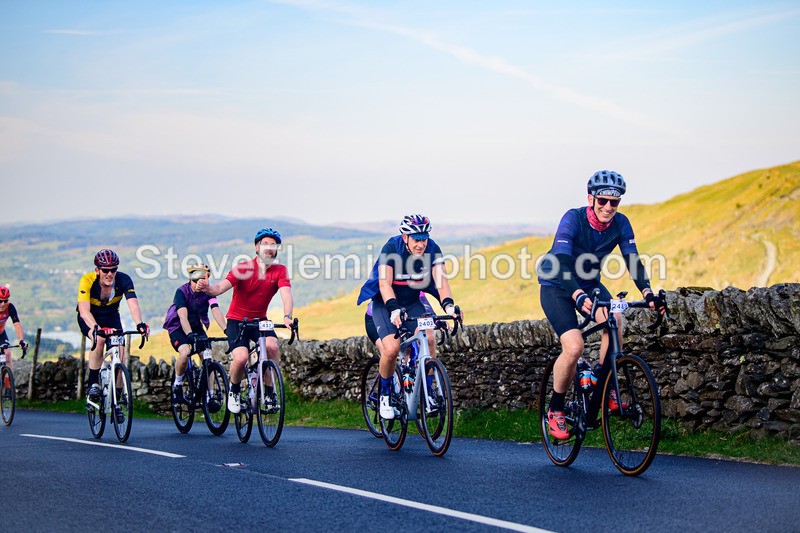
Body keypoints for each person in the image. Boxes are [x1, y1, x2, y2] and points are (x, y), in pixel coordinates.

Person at [536, 170, 664, 439]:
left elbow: (632, 259)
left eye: (614, 203)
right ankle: (555, 409)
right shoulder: (573, 218)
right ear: (591, 198)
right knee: (574, 347)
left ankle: (603, 384)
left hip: (590, 282)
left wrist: (648, 292)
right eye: (603, 201)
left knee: (614, 320)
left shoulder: (621, 223)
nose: (608, 207)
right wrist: (578, 297)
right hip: (557, 283)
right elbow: (561, 261)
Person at [357, 214, 461, 420]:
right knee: (392, 349)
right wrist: (394, 309)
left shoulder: (433, 249)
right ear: (405, 237)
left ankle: (429, 393)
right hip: (385, 303)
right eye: (416, 239)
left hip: (413, 301)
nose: (421, 244)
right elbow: (384, 284)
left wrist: (449, 306)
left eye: (424, 238)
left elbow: (441, 282)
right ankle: (385, 396)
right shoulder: (392, 248)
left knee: (429, 338)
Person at [197, 228, 293, 414]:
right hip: (236, 321)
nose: (269, 249)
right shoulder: (244, 268)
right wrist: (207, 288)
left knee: (272, 348)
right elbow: (219, 288)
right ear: (256, 247)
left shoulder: (280, 271)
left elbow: (286, 295)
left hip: (260, 320)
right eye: (265, 244)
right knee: (241, 357)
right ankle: (233, 391)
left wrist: (287, 316)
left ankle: (269, 392)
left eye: (273, 245)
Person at [76, 249, 149, 405]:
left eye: (113, 270)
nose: (110, 273)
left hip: (111, 316)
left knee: (121, 353)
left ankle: (116, 396)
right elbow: (83, 310)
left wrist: (139, 323)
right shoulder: (87, 281)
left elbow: (133, 303)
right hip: (90, 317)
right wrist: (96, 328)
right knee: (100, 339)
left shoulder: (124, 280)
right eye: (105, 270)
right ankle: (94, 384)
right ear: (97, 270)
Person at [163, 264, 227, 403]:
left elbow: (215, 310)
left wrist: (226, 329)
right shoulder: (181, 292)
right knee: (185, 352)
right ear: (190, 280)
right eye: (195, 280)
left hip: (197, 327)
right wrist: (190, 335)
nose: (199, 283)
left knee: (207, 357)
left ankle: (209, 396)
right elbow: (182, 317)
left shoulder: (208, 292)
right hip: (178, 327)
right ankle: (178, 385)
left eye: (202, 279)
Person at [365, 292, 433, 354]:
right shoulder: (386, 290)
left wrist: (435, 321)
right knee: (387, 350)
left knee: (409, 349)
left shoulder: (413, 290)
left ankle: (410, 365)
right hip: (374, 319)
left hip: (401, 316)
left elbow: (426, 307)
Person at [0, 286, 28, 382]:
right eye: (0, 301)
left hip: (1, 334)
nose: (3, 304)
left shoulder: (10, 307)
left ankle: (8, 388)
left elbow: (17, 325)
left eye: (5, 300)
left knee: (7, 354)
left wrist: (21, 340)